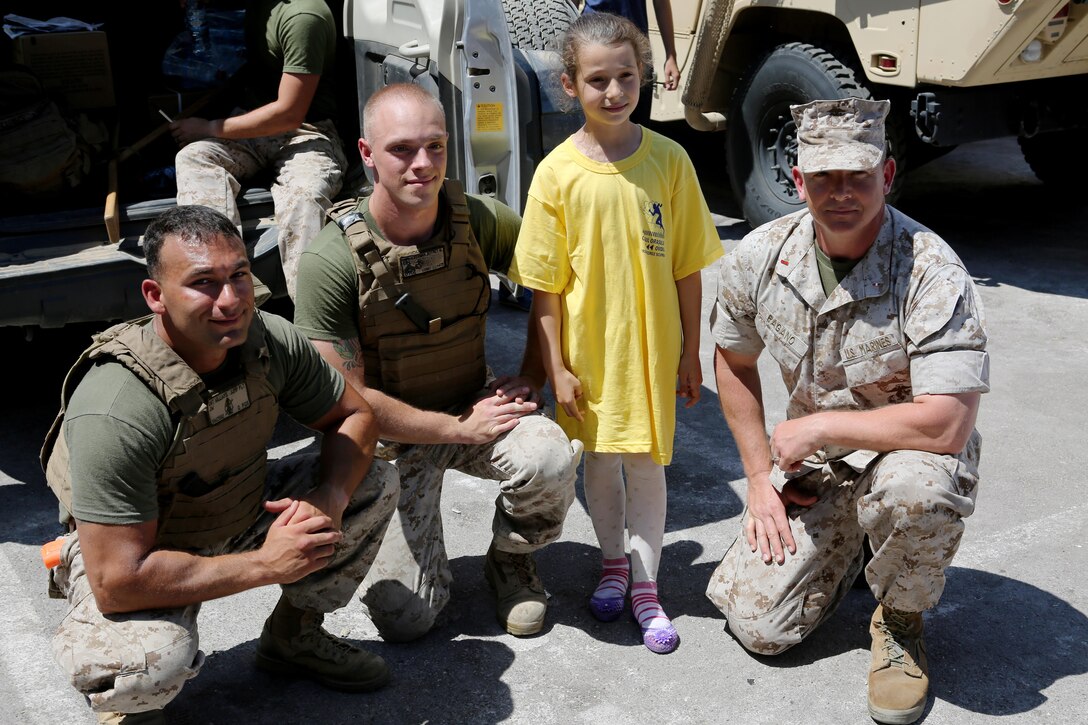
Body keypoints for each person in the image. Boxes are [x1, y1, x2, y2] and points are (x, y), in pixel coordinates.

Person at [40, 205, 400, 724]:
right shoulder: (117, 405)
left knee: (372, 480)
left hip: (239, 503)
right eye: (204, 283)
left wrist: (331, 498)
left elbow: (355, 416)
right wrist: (265, 564)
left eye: (239, 276)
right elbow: (117, 579)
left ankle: (292, 637)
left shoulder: (268, 338)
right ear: (155, 296)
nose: (230, 300)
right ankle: (137, 710)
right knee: (147, 667)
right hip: (143, 546)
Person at [706, 97, 989, 723]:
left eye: (857, 176)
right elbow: (733, 361)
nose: (842, 192)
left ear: (885, 176)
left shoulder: (932, 269)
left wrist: (821, 425)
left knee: (914, 495)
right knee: (758, 625)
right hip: (822, 465)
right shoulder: (758, 258)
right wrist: (759, 480)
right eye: (824, 177)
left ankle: (900, 622)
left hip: (914, 451)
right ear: (797, 179)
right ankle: (859, 546)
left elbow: (946, 423)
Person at [292, 83, 583, 643]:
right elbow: (342, 401)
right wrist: (454, 429)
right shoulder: (330, 261)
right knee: (410, 620)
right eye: (402, 149)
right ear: (366, 153)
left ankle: (512, 558)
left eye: (436, 146)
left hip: (471, 406)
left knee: (548, 458)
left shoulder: (474, 219)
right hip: (388, 444)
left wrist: (534, 371)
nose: (423, 165)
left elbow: (558, 285)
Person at [509, 12, 723, 654]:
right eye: (597, 79)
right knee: (599, 464)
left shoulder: (671, 161)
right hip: (590, 358)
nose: (613, 91)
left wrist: (690, 353)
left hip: (653, 355)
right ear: (570, 85)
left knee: (648, 466)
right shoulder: (556, 174)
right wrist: (558, 368)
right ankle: (610, 564)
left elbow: (688, 268)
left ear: (644, 76)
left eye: (625, 76)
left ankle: (647, 587)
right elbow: (544, 289)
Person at [170, 0, 347, 300]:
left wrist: (210, 127)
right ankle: (226, 289)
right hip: (257, 127)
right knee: (195, 158)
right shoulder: (259, 7)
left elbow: (290, 112)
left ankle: (314, 317)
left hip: (306, 130)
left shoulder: (304, 16)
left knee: (306, 195)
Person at [582, 0, 680, 125]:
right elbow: (569, 5)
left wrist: (671, 55)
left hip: (635, 49)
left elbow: (660, 3)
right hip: (594, 45)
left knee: (638, 123)